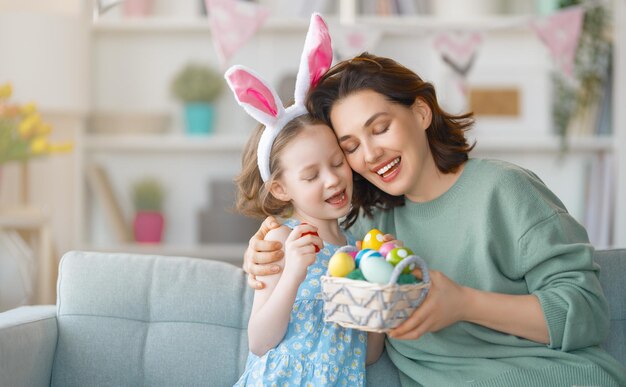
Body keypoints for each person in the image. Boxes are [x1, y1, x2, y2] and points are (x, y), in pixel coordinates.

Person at [242, 52, 626, 386]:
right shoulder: (367, 229)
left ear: (421, 112)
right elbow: (311, 235)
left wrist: (464, 304)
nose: (372, 153)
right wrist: (262, 246)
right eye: (351, 147)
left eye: (380, 128)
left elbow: (588, 313)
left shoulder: (503, 189)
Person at [226, 15, 384, 386]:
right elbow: (260, 341)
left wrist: (376, 302)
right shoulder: (281, 241)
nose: (332, 179)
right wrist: (295, 270)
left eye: (337, 162)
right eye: (312, 175)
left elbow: (370, 355)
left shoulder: (359, 251)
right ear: (281, 189)